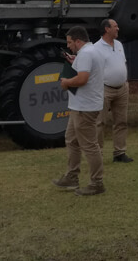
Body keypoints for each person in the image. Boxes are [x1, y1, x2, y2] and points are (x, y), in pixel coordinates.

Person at [52, 26, 106, 195]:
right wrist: (74, 61)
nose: (68, 46)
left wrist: (66, 82)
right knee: (71, 140)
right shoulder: (90, 51)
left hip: (85, 107)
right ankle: (71, 176)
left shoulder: (86, 54)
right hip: (79, 106)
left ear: (78, 41)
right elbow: (86, 70)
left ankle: (97, 183)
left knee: (89, 145)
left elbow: (82, 79)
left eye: (70, 42)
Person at [95, 18, 134, 163]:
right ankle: (97, 155)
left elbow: (122, 63)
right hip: (104, 89)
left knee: (121, 121)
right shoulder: (96, 48)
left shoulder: (118, 44)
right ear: (107, 29)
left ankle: (120, 153)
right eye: (115, 26)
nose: (118, 29)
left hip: (122, 89)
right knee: (99, 122)